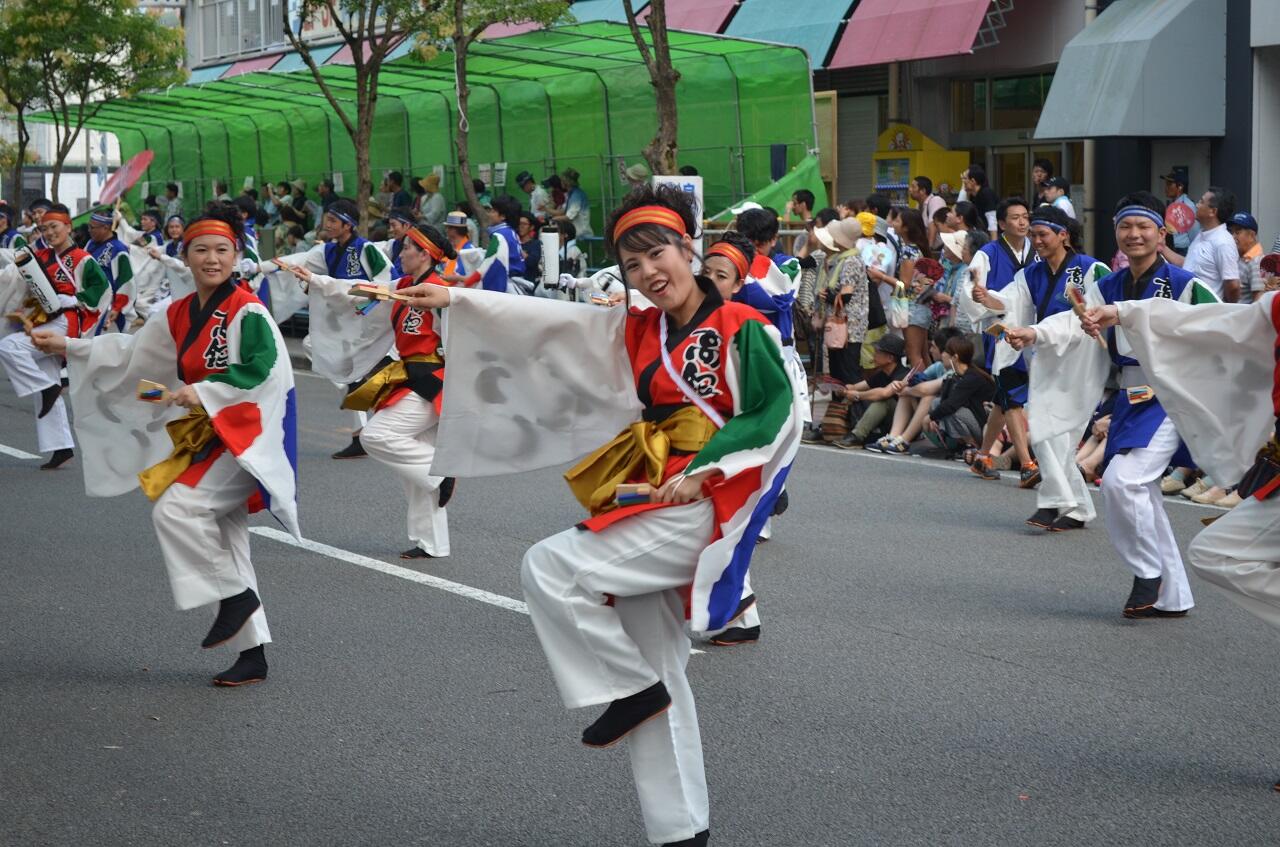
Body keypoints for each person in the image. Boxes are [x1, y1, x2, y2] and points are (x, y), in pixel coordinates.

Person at [397, 182, 798, 847]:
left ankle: (628, 689)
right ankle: (679, 829)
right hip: (655, 492)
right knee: (657, 663)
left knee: (550, 567)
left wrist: (708, 471)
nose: (648, 273)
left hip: (706, 502)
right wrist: (457, 299)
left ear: (688, 247)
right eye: (632, 264)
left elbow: (775, 413)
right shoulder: (639, 329)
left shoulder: (741, 328)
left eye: (657, 254)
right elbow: (549, 324)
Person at [33, 207, 297, 686]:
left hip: (243, 438)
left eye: (221, 250)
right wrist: (68, 347)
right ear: (186, 256)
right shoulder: (176, 313)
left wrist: (210, 388)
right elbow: (130, 353)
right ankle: (252, 652)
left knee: (176, 510)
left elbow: (266, 368)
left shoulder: (248, 310)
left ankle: (236, 599)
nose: (211, 259)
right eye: (201, 250)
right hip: (209, 434)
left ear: (236, 255)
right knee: (228, 542)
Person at [1046, 192, 1218, 617]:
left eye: (1144, 227)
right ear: (1116, 233)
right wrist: (1032, 335)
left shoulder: (1185, 284)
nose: (1134, 235)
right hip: (1129, 397)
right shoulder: (1107, 285)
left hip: (1171, 397)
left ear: (1162, 234)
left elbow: (1221, 329)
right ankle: (1173, 595)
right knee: (1143, 493)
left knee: (1124, 481)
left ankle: (1146, 572)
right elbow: (1073, 323)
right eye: (1126, 227)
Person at [288, 224, 457, 560]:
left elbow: (458, 342)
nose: (401, 252)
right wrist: (316, 281)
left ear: (424, 254)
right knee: (414, 471)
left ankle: (439, 472)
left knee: (376, 435)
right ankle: (432, 543)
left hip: (434, 384)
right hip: (410, 378)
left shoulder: (441, 294)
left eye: (407, 247)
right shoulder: (402, 286)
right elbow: (357, 289)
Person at [973, 206, 1111, 530]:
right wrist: (985, 298)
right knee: (1050, 434)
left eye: (1043, 234)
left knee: (1054, 433)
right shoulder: (1031, 273)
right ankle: (1074, 508)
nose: (1036, 241)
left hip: (1083, 360)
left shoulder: (1090, 268)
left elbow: (1108, 303)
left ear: (1063, 235)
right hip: (1048, 358)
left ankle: (1057, 504)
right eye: (1033, 235)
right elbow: (1009, 302)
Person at [258, 198, 392, 459]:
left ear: (348, 224)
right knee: (314, 346)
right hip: (344, 325)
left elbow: (388, 280)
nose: (326, 225)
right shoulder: (327, 251)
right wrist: (257, 268)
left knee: (352, 367)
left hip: (368, 320)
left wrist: (365, 304)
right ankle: (359, 417)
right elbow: (297, 262)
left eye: (332, 220)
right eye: (326, 219)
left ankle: (364, 409)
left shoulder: (365, 249)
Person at [0, 205, 112, 468]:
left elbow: (103, 288)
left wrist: (75, 299)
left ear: (68, 227)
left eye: (54, 227)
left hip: (67, 321)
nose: (49, 233)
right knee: (45, 379)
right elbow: (18, 282)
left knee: (9, 346)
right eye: (44, 228)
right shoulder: (40, 257)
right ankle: (60, 446)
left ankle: (48, 387)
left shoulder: (82, 258)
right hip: (47, 319)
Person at [1160, 186, 1240, 302]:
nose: (1197, 205)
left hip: (1207, 313)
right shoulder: (1202, 234)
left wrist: (1222, 308)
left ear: (1213, 211)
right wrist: (1162, 247)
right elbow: (1187, 264)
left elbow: (1233, 285)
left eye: (1201, 202)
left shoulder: (1223, 242)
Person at [831, 334, 909, 449]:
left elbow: (884, 393)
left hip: (901, 422)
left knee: (883, 401)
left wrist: (857, 395)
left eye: (878, 352)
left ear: (890, 358)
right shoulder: (882, 373)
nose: (874, 355)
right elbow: (858, 386)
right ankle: (830, 428)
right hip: (886, 421)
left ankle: (857, 436)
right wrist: (844, 390)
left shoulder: (903, 374)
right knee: (850, 396)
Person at [85, 209, 135, 333]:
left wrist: (117, 308)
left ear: (106, 227)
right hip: (89, 302)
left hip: (108, 306)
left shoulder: (119, 250)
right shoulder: (90, 244)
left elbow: (126, 282)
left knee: (106, 346)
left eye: (92, 227)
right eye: (89, 227)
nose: (89, 230)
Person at [1160, 166, 1200, 255]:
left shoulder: (1187, 206)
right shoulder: (1172, 204)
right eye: (1166, 184)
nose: (1166, 188)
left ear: (1180, 187)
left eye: (1169, 184)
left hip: (1182, 250)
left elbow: (1195, 234)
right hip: (1171, 248)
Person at [1228, 212, 1265, 302]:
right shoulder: (1240, 256)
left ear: (1252, 236)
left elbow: (1258, 299)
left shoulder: (1256, 261)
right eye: (1231, 232)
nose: (1233, 236)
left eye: (1237, 232)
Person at [554, 167, 593, 238]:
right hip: (576, 232)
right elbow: (563, 211)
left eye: (562, 180)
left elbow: (569, 216)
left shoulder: (576, 195)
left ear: (566, 182)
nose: (560, 182)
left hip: (581, 233)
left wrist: (553, 219)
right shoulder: (571, 194)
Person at [964, 165, 999, 239]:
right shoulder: (974, 196)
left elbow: (992, 219)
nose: (963, 181)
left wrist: (993, 245)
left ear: (973, 181)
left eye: (965, 178)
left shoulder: (986, 194)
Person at [517, 211, 543, 282]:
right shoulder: (514, 241)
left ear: (531, 227)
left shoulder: (536, 244)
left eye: (524, 224)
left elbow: (532, 262)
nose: (521, 226)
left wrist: (517, 249)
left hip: (528, 282)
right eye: (519, 223)